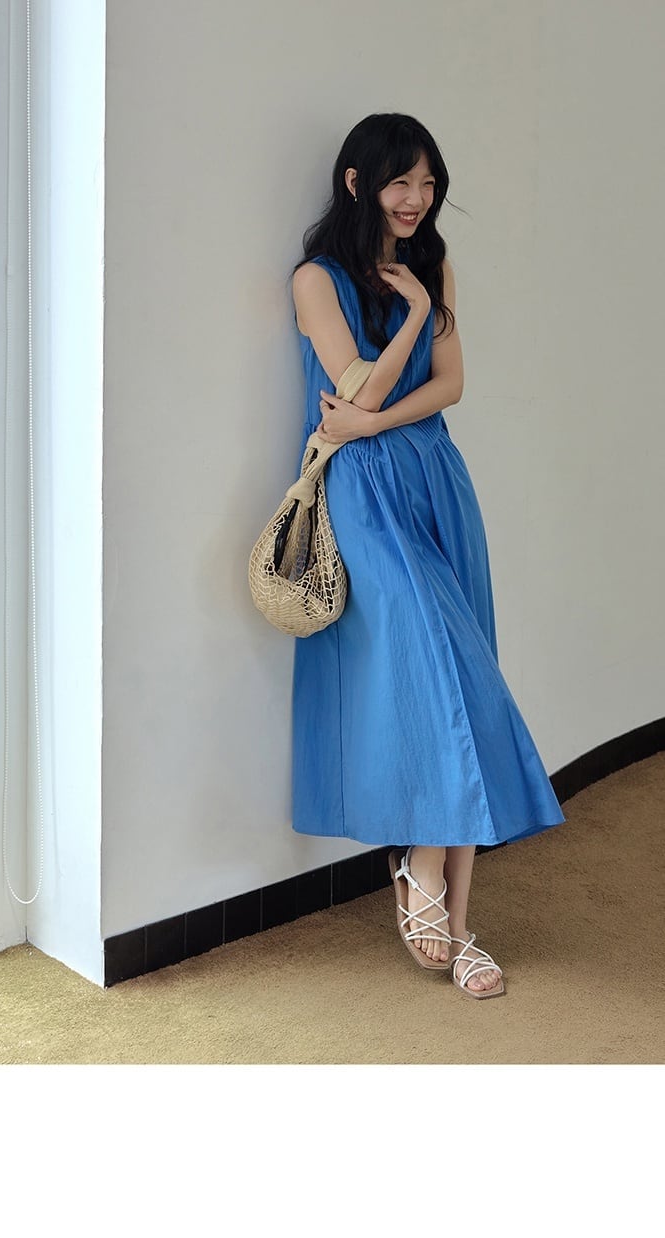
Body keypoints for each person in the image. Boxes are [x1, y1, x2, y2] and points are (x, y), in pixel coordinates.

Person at [290, 113, 566, 999]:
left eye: (429, 184)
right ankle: (423, 877)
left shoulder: (435, 265)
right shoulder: (316, 280)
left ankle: (453, 911)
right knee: (439, 671)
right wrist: (411, 316)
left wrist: (373, 413)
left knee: (472, 676)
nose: (417, 199)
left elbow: (451, 387)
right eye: (401, 182)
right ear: (357, 183)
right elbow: (359, 386)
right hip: (362, 496)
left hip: (436, 478)